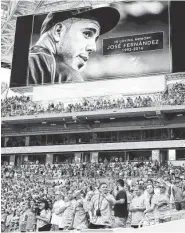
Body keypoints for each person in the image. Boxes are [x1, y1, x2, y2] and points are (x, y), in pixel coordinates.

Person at [26, 6, 120, 85]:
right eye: (87, 34)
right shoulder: (66, 76)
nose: (93, 47)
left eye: (95, 39)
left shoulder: (19, 64)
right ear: (58, 31)